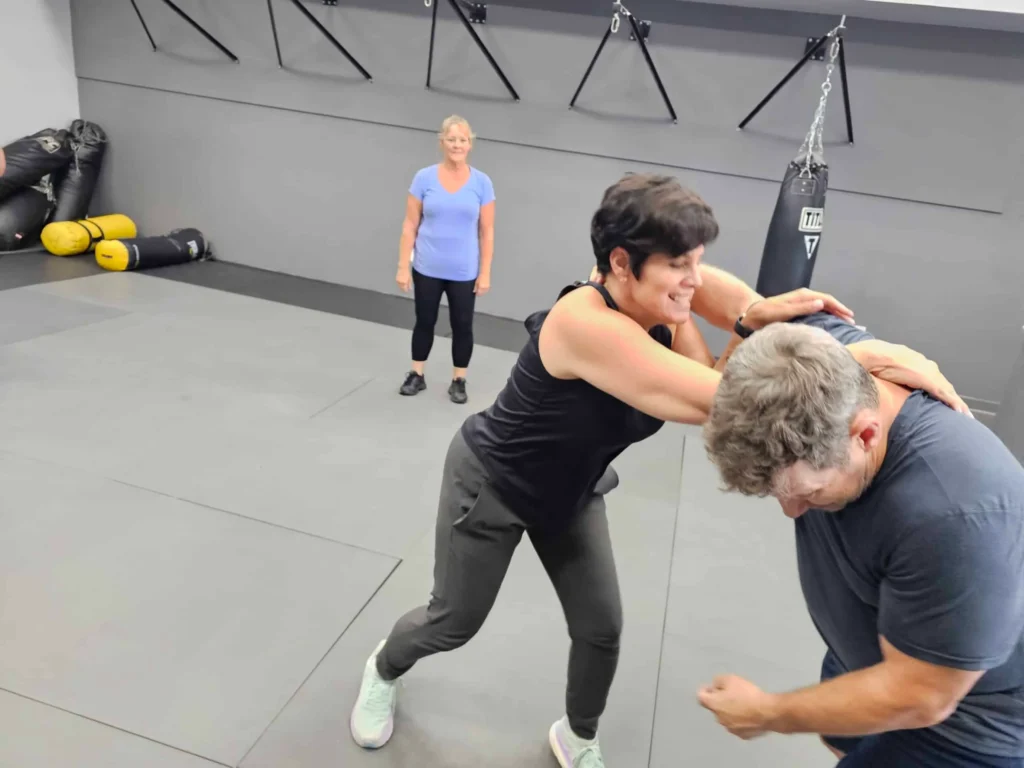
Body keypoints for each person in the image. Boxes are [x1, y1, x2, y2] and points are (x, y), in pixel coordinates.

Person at [351, 173, 969, 767]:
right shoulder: (584, 323)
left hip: (571, 491)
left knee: (602, 629)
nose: (692, 280)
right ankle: (383, 669)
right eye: (678, 266)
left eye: (693, 261)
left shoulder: (662, 301)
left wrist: (753, 309)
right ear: (621, 263)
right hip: (495, 483)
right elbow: (725, 401)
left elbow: (722, 354)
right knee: (454, 621)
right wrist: (857, 359)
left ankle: (577, 735)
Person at [698, 314, 1024, 767]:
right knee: (842, 738)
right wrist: (858, 355)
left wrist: (766, 712)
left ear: (866, 434)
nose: (791, 512)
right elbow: (748, 302)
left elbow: (921, 697)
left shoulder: (957, 515)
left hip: (961, 722)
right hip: (875, 633)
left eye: (810, 494)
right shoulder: (823, 359)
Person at [396, 114, 496, 405]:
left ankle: (459, 379)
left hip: (464, 270)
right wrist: (404, 266)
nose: (457, 145)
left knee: (462, 325)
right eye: (451, 139)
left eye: (462, 140)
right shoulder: (424, 178)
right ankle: (417, 374)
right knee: (424, 320)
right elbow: (409, 225)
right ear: (442, 142)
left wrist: (485, 271)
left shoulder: (482, 183)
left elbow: (487, 231)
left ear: (470, 144)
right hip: (427, 266)